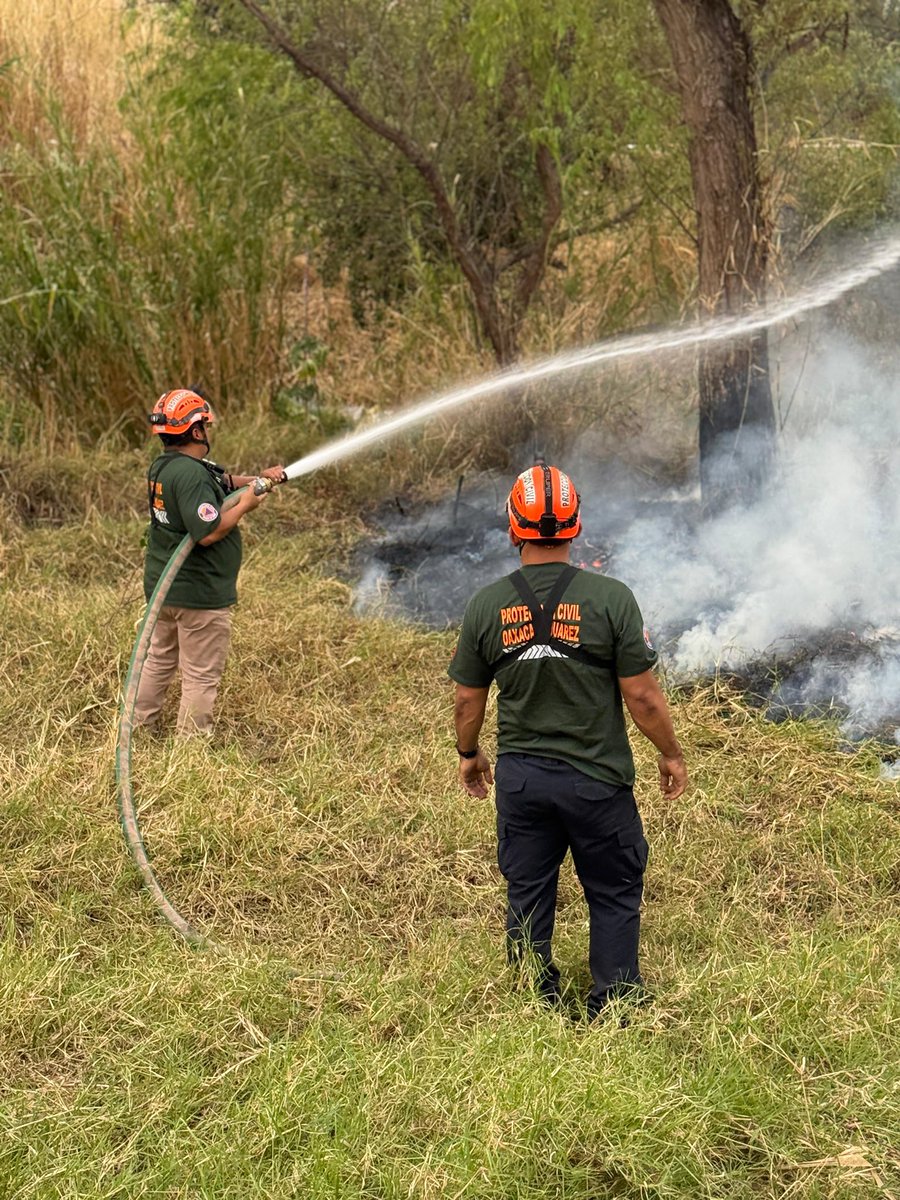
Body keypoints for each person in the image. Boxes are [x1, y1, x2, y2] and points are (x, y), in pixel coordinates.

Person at [448, 462, 687, 1019]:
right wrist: (670, 753)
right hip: (597, 783)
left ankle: (535, 1000)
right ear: (576, 527)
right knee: (613, 889)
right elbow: (644, 697)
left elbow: (467, 700)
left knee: (528, 890)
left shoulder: (486, 605)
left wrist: (468, 754)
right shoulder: (611, 598)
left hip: (524, 781)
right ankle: (614, 1003)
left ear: (513, 528)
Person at [134, 388, 286, 736]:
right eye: (206, 426)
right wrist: (247, 505)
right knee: (200, 673)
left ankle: (139, 729)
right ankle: (190, 749)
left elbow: (221, 484)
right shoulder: (190, 475)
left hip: (165, 590)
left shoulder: (168, 467)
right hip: (197, 594)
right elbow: (208, 531)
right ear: (197, 430)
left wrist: (258, 481)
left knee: (158, 660)